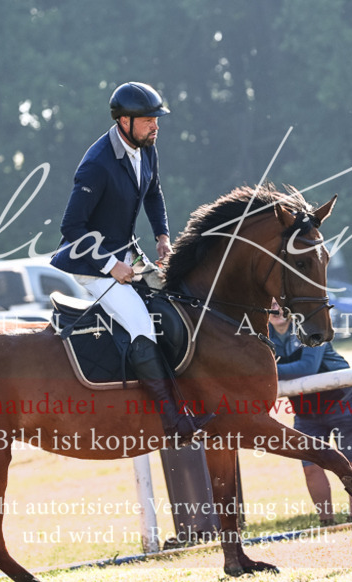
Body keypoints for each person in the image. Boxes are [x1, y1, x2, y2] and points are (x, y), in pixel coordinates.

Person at [49, 81, 212, 447]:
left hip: (126, 251)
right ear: (124, 121)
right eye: (148, 120)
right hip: (90, 263)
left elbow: (154, 192)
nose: (156, 126)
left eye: (157, 119)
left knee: (177, 300)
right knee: (141, 324)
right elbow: (72, 228)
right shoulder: (96, 165)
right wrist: (110, 267)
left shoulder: (146, 148)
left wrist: (163, 236)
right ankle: (172, 421)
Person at [269, 300, 352, 526]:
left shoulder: (311, 327)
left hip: (339, 399)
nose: (276, 309)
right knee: (310, 467)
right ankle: (327, 522)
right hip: (306, 409)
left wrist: (267, 370)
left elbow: (307, 367)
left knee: (350, 458)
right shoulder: (263, 335)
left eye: (281, 303)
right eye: (271, 304)